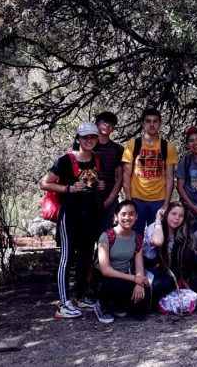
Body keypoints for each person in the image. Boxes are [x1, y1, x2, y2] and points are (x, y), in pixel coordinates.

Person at [39, 122, 105, 319]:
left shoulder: (96, 159)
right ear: (78, 139)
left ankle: (80, 297)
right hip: (70, 216)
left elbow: (91, 183)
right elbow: (44, 183)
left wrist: (100, 185)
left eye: (92, 137)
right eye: (85, 137)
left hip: (90, 215)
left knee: (86, 257)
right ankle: (62, 303)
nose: (89, 140)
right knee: (67, 258)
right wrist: (68, 189)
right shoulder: (66, 160)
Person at [122, 108, 178, 234]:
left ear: (160, 124)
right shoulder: (132, 145)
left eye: (155, 121)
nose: (152, 124)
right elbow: (126, 175)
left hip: (159, 199)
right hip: (137, 198)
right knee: (135, 235)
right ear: (143, 123)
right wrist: (129, 200)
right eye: (148, 121)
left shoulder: (167, 147)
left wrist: (166, 203)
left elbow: (170, 178)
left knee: (157, 236)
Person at [93, 200, 150, 324]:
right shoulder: (107, 236)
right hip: (103, 278)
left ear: (136, 217)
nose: (127, 218)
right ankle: (102, 305)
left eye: (131, 214)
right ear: (116, 216)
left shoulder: (138, 238)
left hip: (123, 276)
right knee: (118, 285)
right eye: (123, 214)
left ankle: (118, 304)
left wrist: (139, 284)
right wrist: (134, 279)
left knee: (146, 292)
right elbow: (105, 270)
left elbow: (140, 268)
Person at [142, 201, 190, 308]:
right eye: (173, 214)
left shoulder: (178, 232)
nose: (177, 218)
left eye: (180, 215)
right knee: (161, 284)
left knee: (168, 282)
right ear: (167, 213)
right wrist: (158, 219)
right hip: (147, 267)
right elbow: (158, 241)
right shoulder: (155, 227)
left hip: (162, 269)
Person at [93, 111, 124, 233]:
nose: (107, 126)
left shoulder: (118, 149)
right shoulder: (88, 145)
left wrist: (110, 199)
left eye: (111, 124)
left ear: (114, 128)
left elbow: (120, 177)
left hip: (109, 197)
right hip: (88, 197)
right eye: (104, 122)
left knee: (107, 235)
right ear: (97, 124)